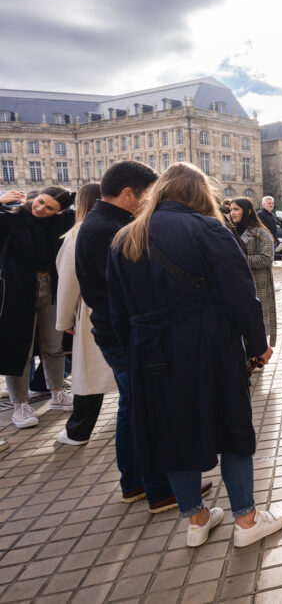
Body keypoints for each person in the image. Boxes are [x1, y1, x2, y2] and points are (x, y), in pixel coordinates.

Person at [107, 162, 282, 548]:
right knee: (234, 428)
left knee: (173, 433)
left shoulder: (125, 237)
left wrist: (132, 356)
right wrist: (258, 346)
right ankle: (246, 520)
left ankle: (196, 518)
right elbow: (242, 297)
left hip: (150, 353)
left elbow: (115, 312)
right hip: (208, 347)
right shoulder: (209, 230)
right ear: (198, 193)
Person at [77, 160, 183, 511]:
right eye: (147, 196)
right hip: (127, 335)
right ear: (128, 194)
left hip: (113, 332)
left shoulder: (98, 222)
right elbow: (130, 290)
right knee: (146, 410)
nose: (148, 203)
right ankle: (159, 489)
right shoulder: (111, 230)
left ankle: (134, 482)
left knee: (132, 407)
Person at [0, 186, 76, 428]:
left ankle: (57, 392)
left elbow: (86, 211)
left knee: (54, 344)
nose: (40, 208)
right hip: (17, 290)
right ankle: (19, 404)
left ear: (59, 210)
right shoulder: (11, 217)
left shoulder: (63, 221)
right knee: (19, 347)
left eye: (49, 207)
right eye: (40, 201)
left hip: (51, 286)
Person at [55, 183, 116, 445]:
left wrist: (64, 319)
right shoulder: (116, 226)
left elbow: (69, 282)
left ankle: (78, 430)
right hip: (115, 307)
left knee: (88, 376)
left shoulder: (79, 232)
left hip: (91, 308)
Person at [228, 198, 277, 348]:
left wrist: (240, 261)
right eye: (231, 210)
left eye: (236, 209)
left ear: (248, 211)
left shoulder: (260, 232)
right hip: (236, 285)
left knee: (257, 321)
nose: (232, 213)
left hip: (258, 283)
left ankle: (258, 353)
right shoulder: (229, 231)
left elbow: (267, 258)